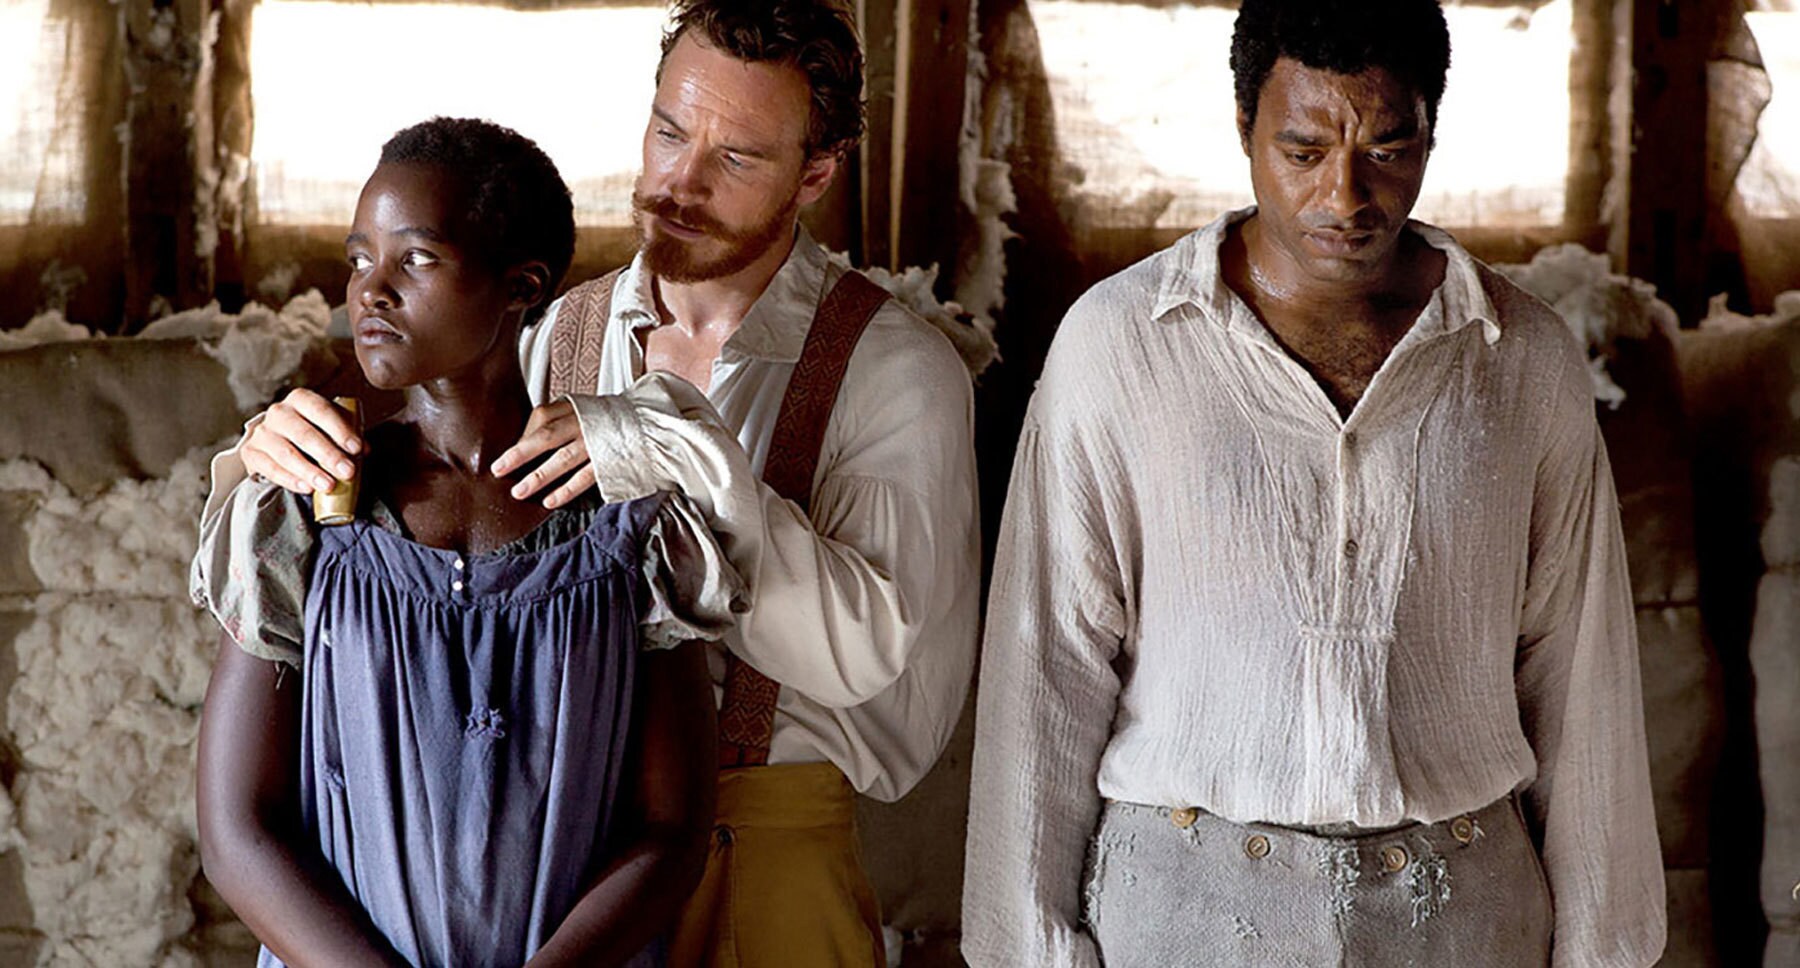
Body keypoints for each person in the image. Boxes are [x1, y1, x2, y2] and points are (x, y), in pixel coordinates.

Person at [191, 3, 980, 965]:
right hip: (554, 853)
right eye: (669, 131)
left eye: (736, 159)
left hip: (759, 843)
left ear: (815, 174)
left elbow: (878, 660)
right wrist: (261, 457)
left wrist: (679, 457)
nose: (681, 182)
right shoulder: (556, 327)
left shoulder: (897, 369)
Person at [962, 1, 1666, 966]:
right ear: (1244, 128)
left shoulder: (1524, 357)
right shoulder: (1117, 345)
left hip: (1467, 915)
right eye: (1302, 150)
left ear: (1430, 132)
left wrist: (1607, 954)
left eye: (1386, 149)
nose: (1346, 196)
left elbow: (1580, 677)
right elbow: (1045, 671)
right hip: (1182, 914)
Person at [192, 118, 740, 967]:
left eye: (415, 259)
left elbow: (671, 831)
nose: (369, 291)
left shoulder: (629, 524)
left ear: (521, 285)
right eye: (356, 258)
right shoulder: (305, 508)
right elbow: (235, 829)